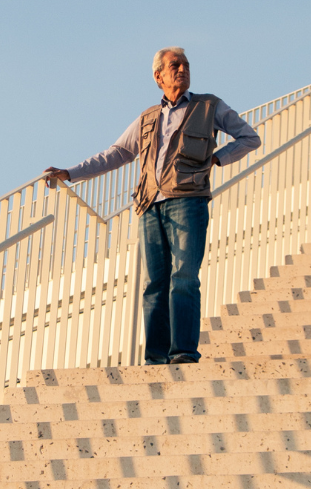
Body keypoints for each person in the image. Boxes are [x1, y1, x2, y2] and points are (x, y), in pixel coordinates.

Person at [44, 48, 261, 365]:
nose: (183, 69)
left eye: (186, 65)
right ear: (158, 76)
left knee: (185, 276)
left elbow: (249, 137)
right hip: (149, 205)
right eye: (175, 65)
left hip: (188, 200)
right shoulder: (148, 118)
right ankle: (156, 357)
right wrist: (71, 173)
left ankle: (184, 351)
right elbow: (116, 153)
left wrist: (217, 158)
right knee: (154, 284)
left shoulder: (209, 106)